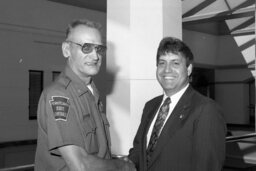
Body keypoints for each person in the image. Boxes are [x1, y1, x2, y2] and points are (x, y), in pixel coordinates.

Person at [35, 19, 136, 171]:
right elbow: (80, 165)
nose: (95, 56)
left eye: (99, 49)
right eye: (86, 47)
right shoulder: (59, 96)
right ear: (66, 50)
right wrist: (122, 166)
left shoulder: (91, 93)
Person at [128, 37, 227, 171]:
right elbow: (138, 151)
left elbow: (207, 165)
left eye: (175, 63)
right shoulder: (150, 106)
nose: (167, 70)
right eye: (162, 63)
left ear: (189, 69)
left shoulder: (206, 109)